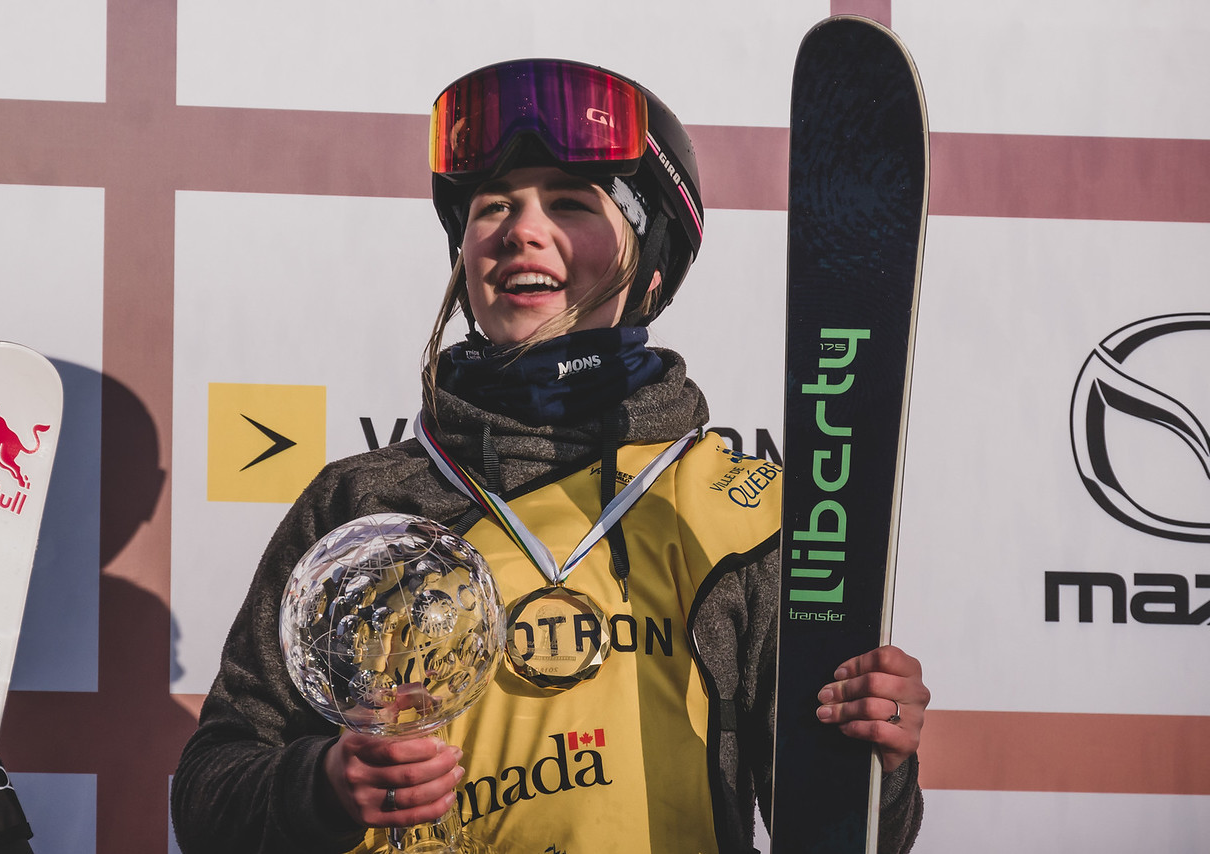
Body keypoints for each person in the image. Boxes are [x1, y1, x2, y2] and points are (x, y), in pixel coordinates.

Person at [171, 58, 928, 853]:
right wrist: (322, 785)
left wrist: (876, 758)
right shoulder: (362, 505)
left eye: (570, 202)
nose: (520, 230)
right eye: (493, 205)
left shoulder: (744, 515)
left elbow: (842, 833)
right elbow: (209, 796)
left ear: (652, 261)